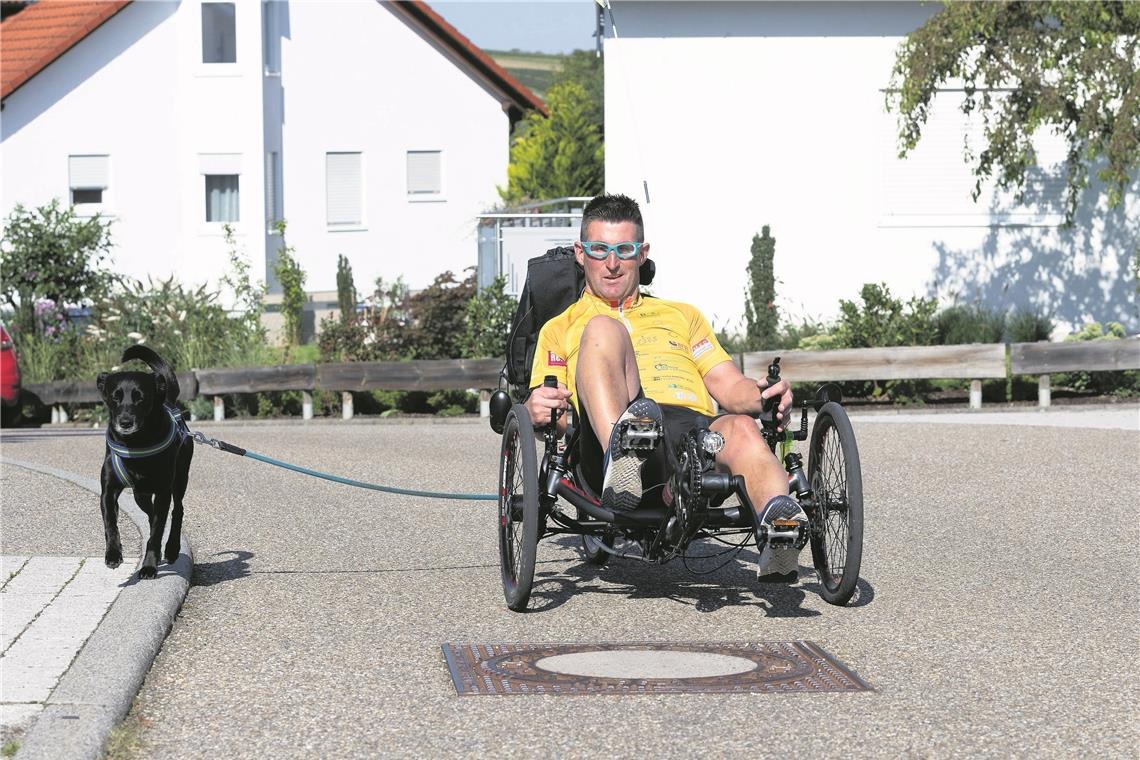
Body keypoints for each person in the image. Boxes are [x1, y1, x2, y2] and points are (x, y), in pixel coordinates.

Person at [525, 193, 806, 581]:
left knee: (740, 427)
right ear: (580, 253)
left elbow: (728, 385)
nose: (611, 263)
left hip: (689, 438)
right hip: (606, 436)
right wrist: (534, 409)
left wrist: (763, 396)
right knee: (605, 329)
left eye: (623, 250)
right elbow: (550, 409)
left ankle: (780, 530)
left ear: (642, 253)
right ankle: (622, 460)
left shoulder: (682, 316)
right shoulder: (560, 328)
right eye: (599, 249)